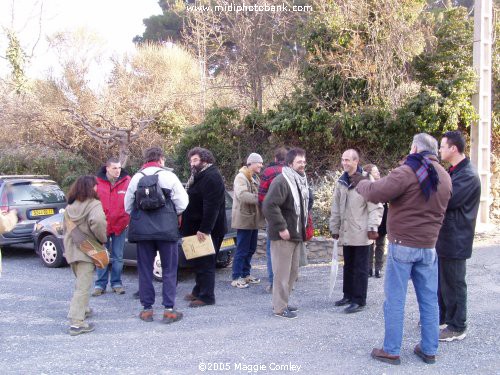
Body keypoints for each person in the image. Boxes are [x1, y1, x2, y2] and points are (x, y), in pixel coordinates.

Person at [355, 133, 452, 365]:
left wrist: (361, 182)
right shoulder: (445, 177)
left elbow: (376, 191)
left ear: (416, 148)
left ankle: (391, 350)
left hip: (403, 246)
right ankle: (429, 349)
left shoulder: (407, 171)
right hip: (429, 246)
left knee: (395, 299)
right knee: (429, 300)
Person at [124, 147, 188, 323]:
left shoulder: (136, 178)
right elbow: (182, 202)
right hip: (166, 230)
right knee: (169, 269)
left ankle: (146, 310)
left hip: (143, 232)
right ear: (161, 159)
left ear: (145, 159)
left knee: (145, 269)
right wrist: (175, 214)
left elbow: (127, 206)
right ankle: (169, 310)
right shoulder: (169, 176)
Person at [436, 131, 481, 342]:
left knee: (454, 281)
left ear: (453, 148)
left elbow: (449, 201)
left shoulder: (468, 175)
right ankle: (444, 316)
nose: (440, 150)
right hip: (446, 235)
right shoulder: (454, 171)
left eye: (443, 146)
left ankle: (458, 325)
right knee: (443, 280)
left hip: (457, 236)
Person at [329, 149, 383, 314]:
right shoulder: (341, 181)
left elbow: (375, 206)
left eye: (348, 160)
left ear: (356, 161)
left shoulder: (366, 180)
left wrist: (373, 227)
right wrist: (334, 227)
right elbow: (336, 206)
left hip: (361, 231)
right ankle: (348, 295)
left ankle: (359, 300)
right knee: (349, 265)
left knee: (360, 267)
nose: (344, 163)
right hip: (346, 231)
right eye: (343, 159)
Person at [263, 147, 309, 319]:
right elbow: (269, 205)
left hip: (296, 234)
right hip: (283, 236)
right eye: (299, 162)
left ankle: (283, 302)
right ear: (290, 164)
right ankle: (279, 308)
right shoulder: (282, 181)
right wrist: (282, 228)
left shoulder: (300, 180)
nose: (303, 165)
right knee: (282, 274)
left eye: (304, 161)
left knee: (292, 273)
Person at [181, 147, 227, 307]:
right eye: (191, 160)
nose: (192, 163)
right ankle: (198, 290)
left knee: (206, 263)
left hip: (207, 230)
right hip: (196, 228)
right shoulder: (199, 176)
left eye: (195, 160)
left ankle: (207, 296)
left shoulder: (211, 177)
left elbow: (212, 206)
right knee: (198, 262)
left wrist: (205, 229)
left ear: (205, 160)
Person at [63, 176, 107, 336]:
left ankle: (84, 309)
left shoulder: (70, 205)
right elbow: (99, 222)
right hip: (87, 250)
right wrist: (102, 239)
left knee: (80, 282)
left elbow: (65, 229)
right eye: (96, 186)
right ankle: (76, 323)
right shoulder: (93, 204)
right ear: (91, 188)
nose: (97, 188)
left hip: (71, 250)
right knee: (83, 286)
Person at [92, 157, 131, 296]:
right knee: (101, 256)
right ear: (107, 168)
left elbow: (132, 200)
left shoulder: (127, 181)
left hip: (120, 225)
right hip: (101, 225)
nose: (117, 171)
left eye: (119, 168)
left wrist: (127, 218)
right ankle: (100, 285)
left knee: (118, 257)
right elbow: (91, 202)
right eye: (114, 168)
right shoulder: (96, 182)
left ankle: (116, 283)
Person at [231, 152, 265, 289]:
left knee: (250, 248)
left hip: (253, 219)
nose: (261, 166)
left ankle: (246, 274)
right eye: (259, 163)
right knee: (242, 249)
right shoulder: (241, 177)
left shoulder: (253, 177)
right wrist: (260, 199)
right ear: (251, 163)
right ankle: (236, 277)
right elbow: (242, 195)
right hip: (244, 219)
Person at [258, 147, 288, 293]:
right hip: (291, 215)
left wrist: (266, 213)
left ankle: (273, 283)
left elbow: (262, 196)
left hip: (273, 216)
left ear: (275, 158)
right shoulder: (293, 172)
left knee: (272, 250)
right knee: (289, 250)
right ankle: (288, 282)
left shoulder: (268, 172)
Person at [363, 164, 388, 278]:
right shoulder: (366, 186)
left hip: (382, 218)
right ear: (369, 174)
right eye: (375, 172)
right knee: (369, 244)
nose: (378, 173)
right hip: (370, 218)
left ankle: (378, 268)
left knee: (380, 244)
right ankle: (368, 268)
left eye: (378, 171)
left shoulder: (384, 184)